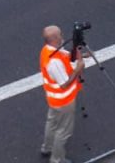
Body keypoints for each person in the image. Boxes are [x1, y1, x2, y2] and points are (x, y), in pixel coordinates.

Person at [39, 24, 84, 163]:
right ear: (54, 38)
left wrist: (81, 54)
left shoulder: (48, 50)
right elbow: (64, 84)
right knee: (63, 132)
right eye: (59, 34)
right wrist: (78, 69)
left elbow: (64, 54)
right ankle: (57, 160)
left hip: (54, 99)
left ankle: (47, 147)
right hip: (64, 101)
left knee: (52, 122)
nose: (62, 36)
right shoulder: (54, 62)